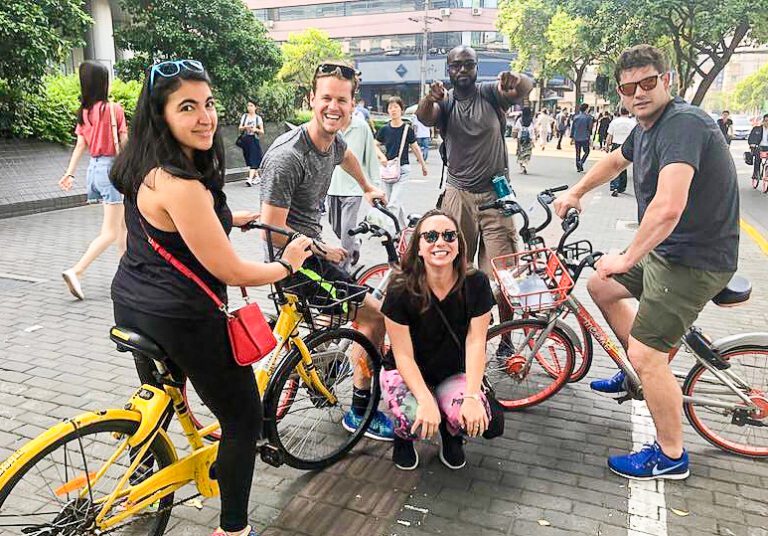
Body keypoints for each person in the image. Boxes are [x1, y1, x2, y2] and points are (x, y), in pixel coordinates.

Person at [110, 59, 313, 536]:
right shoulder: (183, 185)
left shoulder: (142, 165)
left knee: (166, 396)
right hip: (182, 317)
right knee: (244, 420)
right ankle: (233, 529)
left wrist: (230, 219)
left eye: (208, 103)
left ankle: (146, 472)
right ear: (161, 116)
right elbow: (231, 269)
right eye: (187, 107)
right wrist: (288, 264)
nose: (205, 117)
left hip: (133, 300)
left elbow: (166, 230)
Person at [554, 44, 739, 481]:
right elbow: (616, 160)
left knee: (647, 353)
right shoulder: (645, 127)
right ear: (620, 92)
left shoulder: (683, 124)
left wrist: (627, 256)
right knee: (601, 285)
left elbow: (668, 207)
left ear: (667, 81)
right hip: (668, 251)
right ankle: (640, 370)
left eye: (648, 83)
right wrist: (577, 191)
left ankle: (671, 454)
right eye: (628, 87)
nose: (639, 93)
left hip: (694, 259)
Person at [259, 61, 394, 441]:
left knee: (346, 313)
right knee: (375, 316)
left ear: (353, 105)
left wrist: (368, 186)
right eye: (326, 99)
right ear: (311, 100)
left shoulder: (332, 142)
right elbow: (273, 234)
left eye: (342, 100)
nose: (333, 107)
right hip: (295, 263)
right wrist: (324, 248)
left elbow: (346, 156)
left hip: (312, 254)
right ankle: (359, 411)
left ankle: (323, 364)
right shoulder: (289, 157)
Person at [380, 210, 494, 470]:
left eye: (448, 236)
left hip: (452, 370)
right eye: (430, 236)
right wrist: (424, 399)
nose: (440, 242)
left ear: (458, 245)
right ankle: (404, 437)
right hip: (407, 369)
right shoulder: (400, 288)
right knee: (413, 417)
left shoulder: (476, 283)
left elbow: (477, 342)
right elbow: (403, 355)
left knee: (480, 417)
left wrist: (473, 397)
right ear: (418, 248)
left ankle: (451, 433)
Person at [415, 44, 533, 278]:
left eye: (469, 65)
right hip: (459, 196)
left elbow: (524, 88)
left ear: (477, 68)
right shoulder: (445, 102)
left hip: (496, 196)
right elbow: (424, 117)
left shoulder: (490, 93)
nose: (462, 70)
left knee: (505, 275)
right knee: (456, 271)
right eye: (456, 66)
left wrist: (517, 79)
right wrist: (430, 98)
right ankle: (465, 315)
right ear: (448, 70)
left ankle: (505, 316)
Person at [58, 60, 128, 300]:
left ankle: (127, 276)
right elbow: (124, 142)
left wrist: (70, 172)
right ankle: (77, 270)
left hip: (94, 169)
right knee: (110, 231)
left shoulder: (84, 112)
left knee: (123, 227)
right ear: (103, 82)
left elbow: (80, 145)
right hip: (111, 169)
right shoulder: (113, 109)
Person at [328, 110, 382, 271]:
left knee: (346, 233)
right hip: (332, 187)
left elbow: (371, 155)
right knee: (336, 227)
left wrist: (374, 185)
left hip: (354, 189)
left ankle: (344, 271)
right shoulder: (330, 125)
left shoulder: (361, 126)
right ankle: (356, 244)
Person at [375, 96, 428, 229]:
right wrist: (381, 156)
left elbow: (415, 147)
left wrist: (423, 165)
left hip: (403, 169)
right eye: (390, 107)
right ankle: (403, 229)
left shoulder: (407, 129)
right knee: (391, 201)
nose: (393, 110)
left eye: (396, 107)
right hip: (388, 170)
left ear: (401, 110)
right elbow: (373, 144)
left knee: (394, 202)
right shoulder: (384, 130)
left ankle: (388, 230)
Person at [606, 107, 637, 196]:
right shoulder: (633, 122)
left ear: (620, 112)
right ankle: (622, 186)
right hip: (627, 145)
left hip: (616, 144)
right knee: (624, 166)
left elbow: (610, 135)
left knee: (614, 166)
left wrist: (607, 145)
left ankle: (614, 186)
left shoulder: (614, 122)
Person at [238, 99, 264, 187]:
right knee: (249, 159)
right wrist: (246, 127)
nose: (249, 107)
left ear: (255, 107)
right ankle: (257, 177)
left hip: (254, 139)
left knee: (253, 159)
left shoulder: (258, 118)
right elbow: (240, 128)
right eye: (248, 105)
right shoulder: (245, 116)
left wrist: (255, 129)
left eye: (251, 106)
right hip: (246, 140)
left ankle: (249, 179)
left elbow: (262, 131)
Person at [570, 103, 594, 172]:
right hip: (585, 137)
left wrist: (572, 137)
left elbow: (573, 128)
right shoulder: (589, 117)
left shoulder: (576, 117)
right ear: (586, 109)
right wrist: (590, 137)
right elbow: (590, 128)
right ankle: (581, 162)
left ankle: (578, 166)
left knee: (578, 152)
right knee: (587, 151)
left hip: (576, 137)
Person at [512, 106, 534, 174]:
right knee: (527, 153)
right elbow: (532, 130)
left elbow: (516, 128)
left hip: (520, 138)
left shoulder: (520, 120)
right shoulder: (531, 120)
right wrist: (532, 139)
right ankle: (525, 164)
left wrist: (514, 136)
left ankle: (522, 167)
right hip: (528, 139)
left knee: (520, 152)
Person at [747, 114, 768, 181]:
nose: (767, 122)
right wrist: (752, 144)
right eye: (766, 121)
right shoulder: (756, 129)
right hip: (759, 147)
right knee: (758, 157)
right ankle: (756, 173)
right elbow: (750, 138)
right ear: (763, 121)